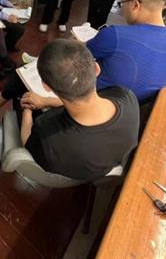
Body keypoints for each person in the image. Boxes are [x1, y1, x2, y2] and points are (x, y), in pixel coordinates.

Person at [0, 0, 166, 121]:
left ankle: (4, 111)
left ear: (135, 5)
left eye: (121, 5)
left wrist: (47, 101)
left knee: (27, 75)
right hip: (124, 118)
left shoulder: (116, 35)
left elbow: (75, 58)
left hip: (83, 108)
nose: (121, 11)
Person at [19, 39, 139, 179]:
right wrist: (46, 101)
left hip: (64, 174)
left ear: (47, 87)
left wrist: (27, 109)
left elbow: (28, 143)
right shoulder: (126, 96)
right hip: (99, 169)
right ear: (96, 69)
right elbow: (85, 105)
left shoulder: (47, 134)